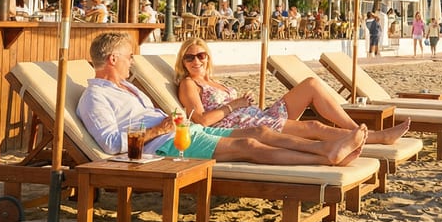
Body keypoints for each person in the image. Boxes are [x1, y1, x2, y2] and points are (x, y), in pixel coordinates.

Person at [77, 32, 366, 166]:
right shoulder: (94, 98)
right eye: (129, 57)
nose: (132, 63)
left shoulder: (129, 88)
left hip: (184, 131)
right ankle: (325, 157)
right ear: (113, 59)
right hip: (165, 145)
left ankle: (329, 147)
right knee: (250, 145)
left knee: (260, 131)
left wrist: (172, 123)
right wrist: (160, 129)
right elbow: (111, 144)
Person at [174, 38, 409, 145]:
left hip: (256, 115)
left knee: (311, 84)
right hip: (240, 128)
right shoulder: (188, 84)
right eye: (190, 57)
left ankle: (354, 130)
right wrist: (233, 105)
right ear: (183, 62)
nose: (196, 61)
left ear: (208, 57)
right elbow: (202, 120)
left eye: (201, 55)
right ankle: (377, 137)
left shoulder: (214, 81)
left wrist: (242, 101)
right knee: (313, 127)